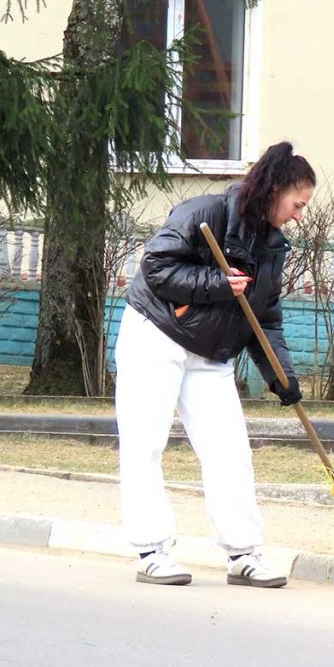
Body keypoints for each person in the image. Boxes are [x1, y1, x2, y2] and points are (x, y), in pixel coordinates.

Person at [115, 141, 314, 587]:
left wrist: (281, 376)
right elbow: (157, 269)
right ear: (276, 189)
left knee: (230, 451)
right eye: (298, 204)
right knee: (145, 443)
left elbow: (265, 317)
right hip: (157, 334)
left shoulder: (272, 246)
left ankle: (243, 554)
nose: (300, 214)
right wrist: (218, 282)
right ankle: (152, 550)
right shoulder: (205, 212)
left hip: (211, 354)